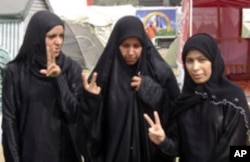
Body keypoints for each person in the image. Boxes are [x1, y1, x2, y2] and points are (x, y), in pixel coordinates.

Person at [1, 10, 100, 162]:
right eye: (52, 36)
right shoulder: (15, 72)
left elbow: (74, 115)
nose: (58, 41)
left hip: (64, 155)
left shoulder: (71, 69)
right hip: (30, 154)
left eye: (61, 36)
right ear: (37, 37)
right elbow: (9, 122)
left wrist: (57, 79)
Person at [87, 15, 180, 162]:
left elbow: (177, 117)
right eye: (125, 45)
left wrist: (155, 93)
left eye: (136, 46)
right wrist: (91, 100)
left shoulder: (161, 74)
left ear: (144, 45)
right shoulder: (104, 77)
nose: (131, 53)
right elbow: (87, 125)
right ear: (116, 45)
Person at [144, 33, 250, 162]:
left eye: (202, 59)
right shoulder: (184, 102)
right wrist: (162, 140)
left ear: (213, 60)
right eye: (190, 61)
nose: (195, 67)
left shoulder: (233, 98)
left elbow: (239, 151)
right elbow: (177, 149)